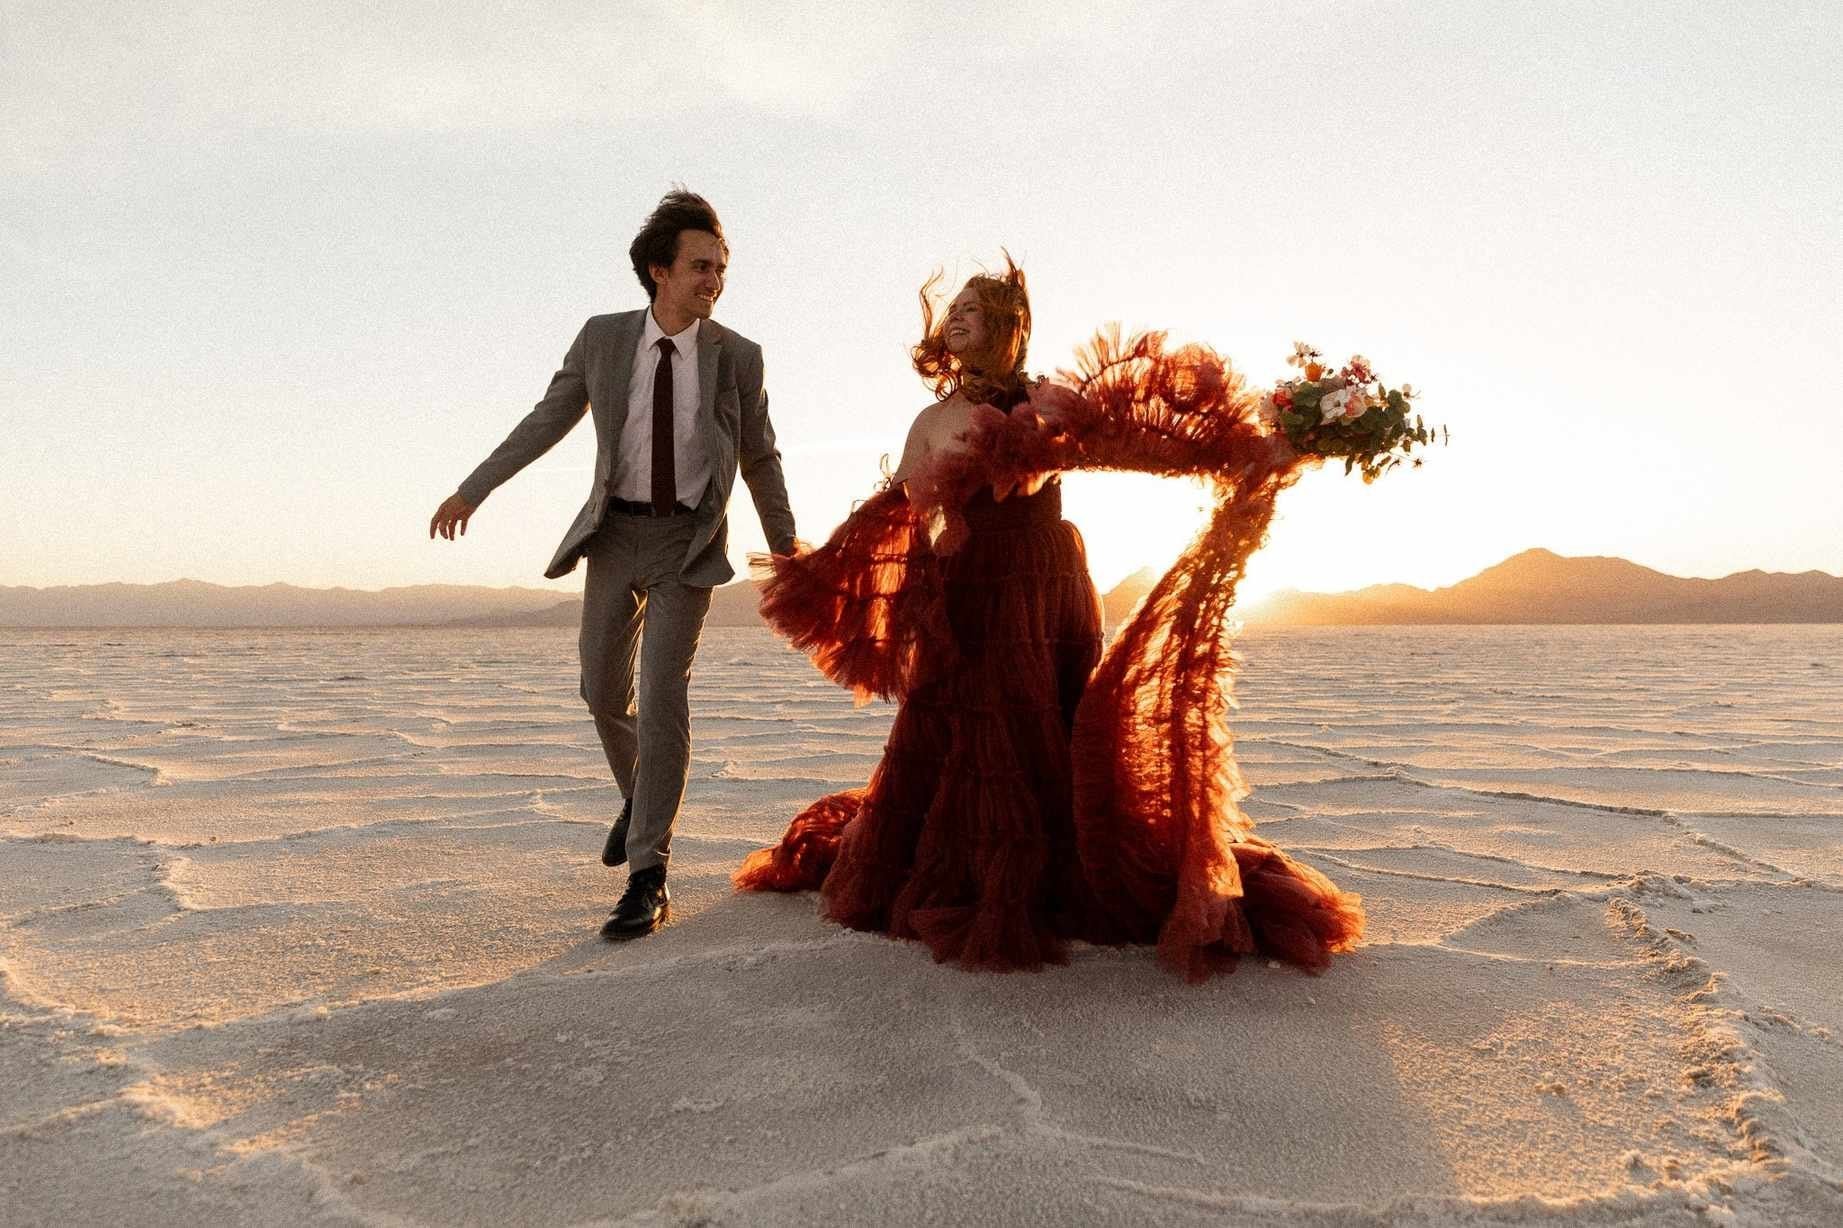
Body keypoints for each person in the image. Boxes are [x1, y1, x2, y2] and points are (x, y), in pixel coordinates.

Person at [734, 260, 1365, 981]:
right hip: (972, 587)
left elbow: (1135, 445)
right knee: (972, 729)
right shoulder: (932, 418)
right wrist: (887, 573)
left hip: (1045, 582)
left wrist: (1257, 451)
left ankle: (1047, 868)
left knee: (1045, 722)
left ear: (1007, 325)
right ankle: (981, 871)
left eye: (974, 307)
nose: (956, 318)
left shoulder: (1042, 401)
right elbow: (907, 508)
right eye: (952, 310)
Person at [431, 190, 797, 941]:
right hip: (614, 535)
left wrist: (788, 550)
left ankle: (647, 875)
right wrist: (475, 488)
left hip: (686, 547)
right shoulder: (602, 340)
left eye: (722, 268)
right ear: (658, 271)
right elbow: (546, 420)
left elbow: (761, 457)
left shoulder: (738, 358)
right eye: (701, 266)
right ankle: (640, 795)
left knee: (664, 699)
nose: (714, 281)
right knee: (601, 691)